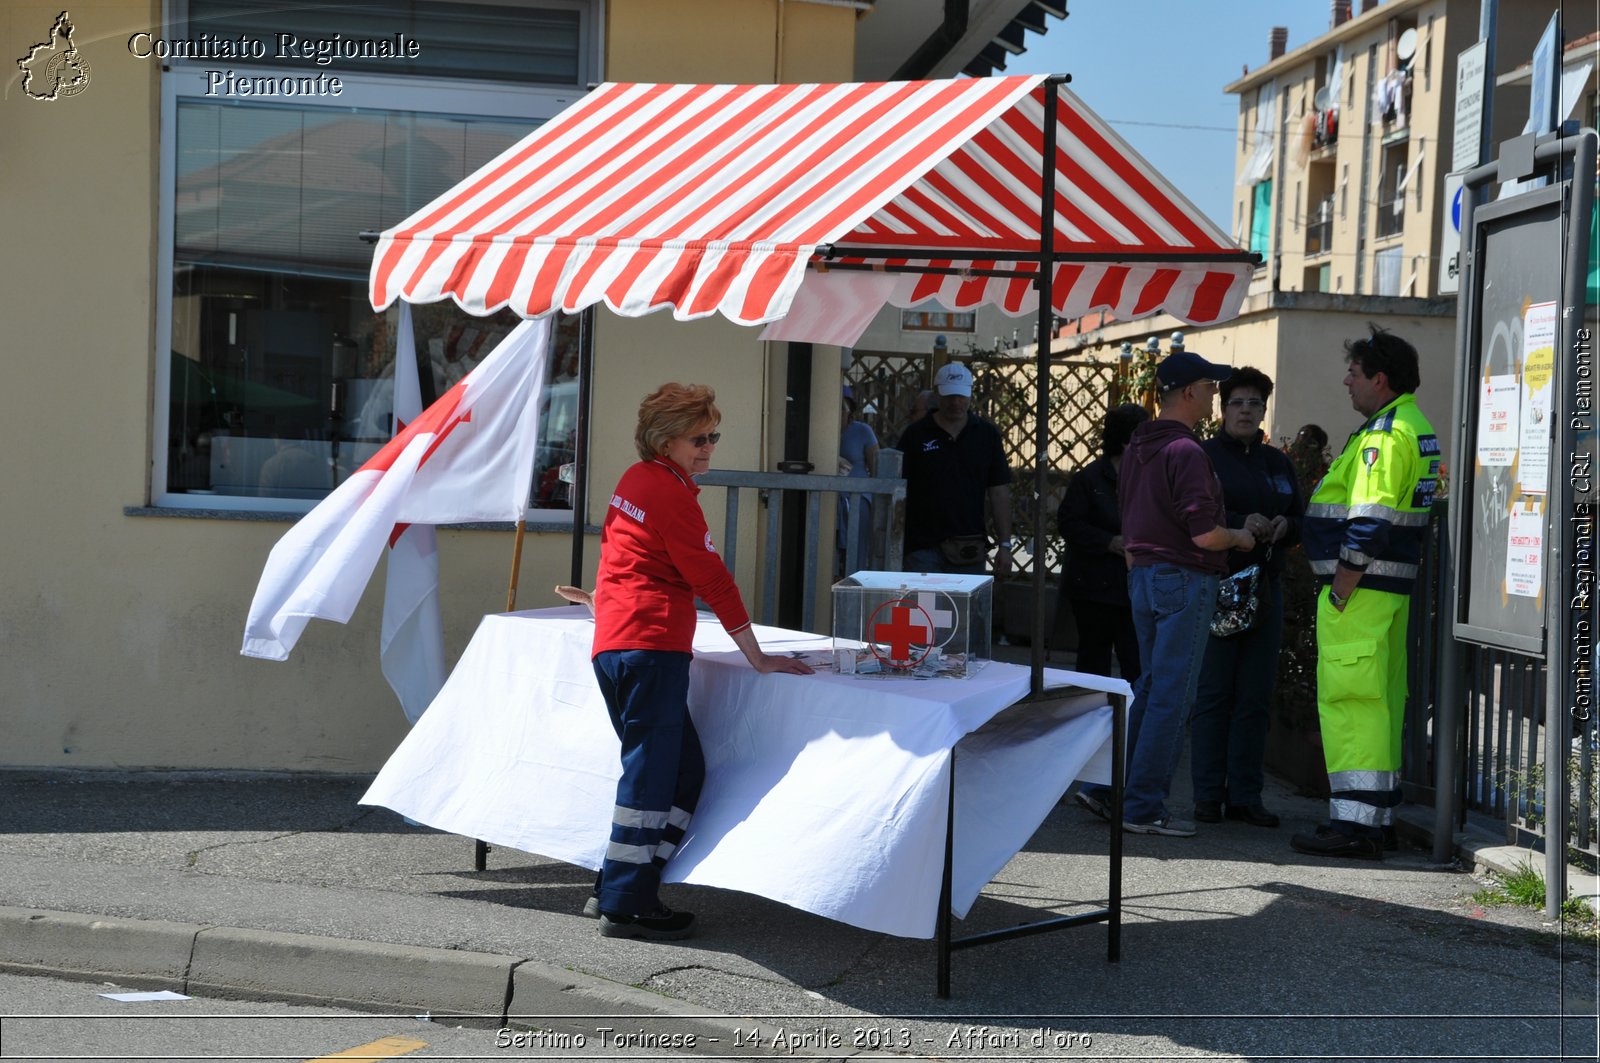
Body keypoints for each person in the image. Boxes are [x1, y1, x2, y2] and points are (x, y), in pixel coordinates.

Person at [586, 383, 814, 939]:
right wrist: (756, 655)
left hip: (620, 644)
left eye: (713, 435)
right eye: (698, 438)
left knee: (682, 771)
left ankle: (621, 882)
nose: (709, 447)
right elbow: (712, 578)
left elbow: (617, 555)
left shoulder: (634, 481)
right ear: (665, 441)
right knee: (653, 776)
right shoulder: (669, 493)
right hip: (651, 646)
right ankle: (626, 901)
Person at [1074, 350, 1255, 837]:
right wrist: (1240, 536)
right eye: (1212, 387)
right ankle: (1142, 806)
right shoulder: (1186, 451)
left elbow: (1132, 519)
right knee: (1171, 696)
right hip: (1183, 576)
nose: (1216, 395)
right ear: (1191, 392)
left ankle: (1111, 789)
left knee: (1151, 688)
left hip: (1144, 575)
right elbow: (1204, 535)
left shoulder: (1138, 445)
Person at [1292, 327, 1438, 861]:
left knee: (1351, 703)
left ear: (1380, 378)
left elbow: (1369, 519)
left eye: (1354, 373)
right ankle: (1374, 818)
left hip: (1360, 591)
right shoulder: (1412, 426)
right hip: (1386, 591)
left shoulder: (1383, 436)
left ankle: (1353, 824)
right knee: (1377, 702)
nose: (1346, 381)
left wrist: (1342, 586)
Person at [1189, 367, 1305, 829]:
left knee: (1255, 697)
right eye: (1237, 402)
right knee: (1215, 693)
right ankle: (1205, 796)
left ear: (1263, 411)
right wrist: (1242, 520)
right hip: (1217, 585)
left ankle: (1245, 795)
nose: (1245, 410)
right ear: (1223, 408)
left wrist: (1285, 526)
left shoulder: (1278, 462)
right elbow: (1193, 516)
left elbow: (1299, 514)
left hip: (1266, 590)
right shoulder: (1203, 456)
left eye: (1254, 404)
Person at [1057, 403, 1149, 681]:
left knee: (1136, 663)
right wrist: (1109, 541)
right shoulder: (1089, 479)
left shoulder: (1148, 476)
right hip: (1093, 587)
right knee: (1093, 665)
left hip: (1133, 587)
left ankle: (1132, 721)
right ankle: (1093, 721)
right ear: (1126, 439)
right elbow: (1069, 524)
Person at [898, 363, 1013, 577]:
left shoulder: (987, 435)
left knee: (963, 610)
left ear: (970, 394)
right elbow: (897, 490)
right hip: (922, 545)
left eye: (961, 396)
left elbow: (999, 492)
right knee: (922, 609)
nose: (956, 402)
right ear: (937, 394)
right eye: (950, 396)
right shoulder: (915, 435)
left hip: (968, 546)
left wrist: (1005, 545)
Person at [837, 391, 880, 574]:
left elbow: (877, 467)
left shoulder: (862, 431)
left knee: (857, 547)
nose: (838, 413)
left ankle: (856, 577)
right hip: (831, 496)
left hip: (858, 497)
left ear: (850, 411)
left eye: (842, 408)